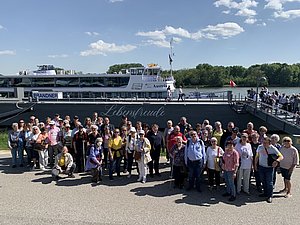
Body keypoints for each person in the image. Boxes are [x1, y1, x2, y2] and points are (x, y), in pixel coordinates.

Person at [254, 137, 283, 203]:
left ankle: (270, 196)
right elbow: (257, 156)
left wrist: (277, 161)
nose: (264, 144)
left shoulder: (273, 148)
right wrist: (255, 165)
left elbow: (281, 156)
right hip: (261, 167)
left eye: (265, 143)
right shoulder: (260, 147)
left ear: (269, 143)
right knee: (263, 180)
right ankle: (265, 193)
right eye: (263, 142)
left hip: (269, 168)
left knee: (269, 182)